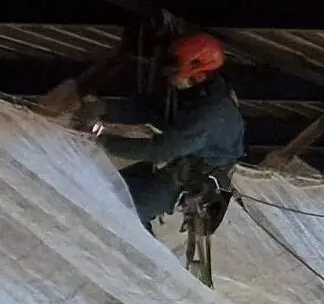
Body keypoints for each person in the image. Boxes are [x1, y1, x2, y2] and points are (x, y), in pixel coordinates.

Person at [91, 33, 245, 236]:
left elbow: (161, 149)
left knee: (126, 213)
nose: (169, 77)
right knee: (110, 188)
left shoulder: (210, 114)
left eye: (175, 71)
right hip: (178, 165)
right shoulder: (195, 96)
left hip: (191, 180)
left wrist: (104, 142)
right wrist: (104, 108)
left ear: (198, 75)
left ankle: (144, 261)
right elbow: (151, 112)